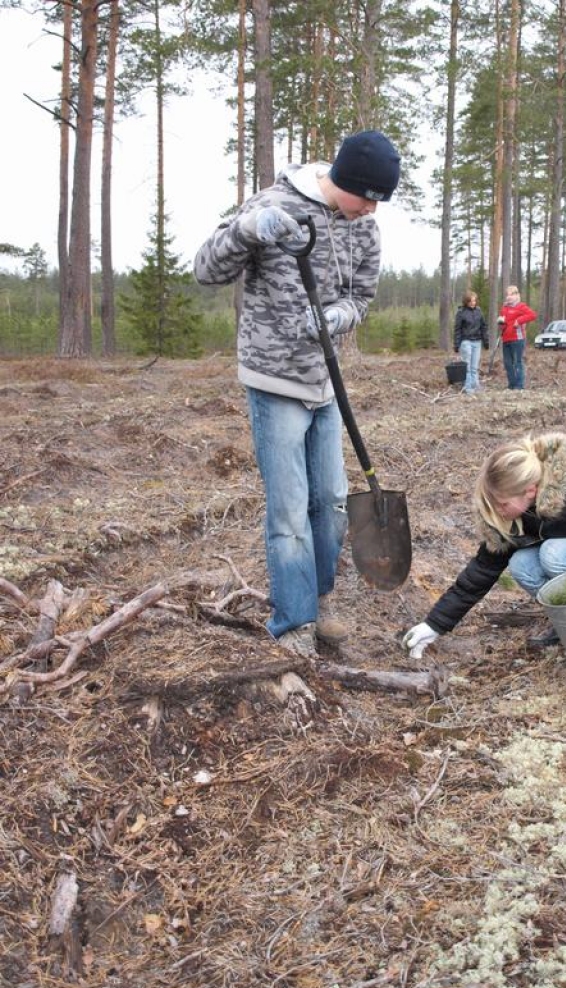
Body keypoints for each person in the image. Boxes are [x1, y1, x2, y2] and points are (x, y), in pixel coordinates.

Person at [194, 129, 401, 657]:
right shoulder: (272, 205)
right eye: (369, 197)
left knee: (330, 502)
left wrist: (339, 316)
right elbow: (205, 270)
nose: (372, 210)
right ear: (346, 180)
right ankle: (293, 623)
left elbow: (362, 297)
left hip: (324, 383)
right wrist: (248, 231)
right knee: (288, 511)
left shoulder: (364, 229)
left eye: (381, 201)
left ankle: (320, 599)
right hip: (274, 379)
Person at [402, 431, 566, 658]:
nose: (499, 512)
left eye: (503, 504)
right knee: (522, 563)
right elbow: (479, 574)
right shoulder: (516, 517)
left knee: (553, 554)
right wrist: (435, 625)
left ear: (530, 491)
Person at [497, 285, 537, 390]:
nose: (509, 297)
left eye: (511, 294)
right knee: (508, 364)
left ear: (516, 295)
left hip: (517, 339)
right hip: (506, 339)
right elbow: (503, 322)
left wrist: (519, 321)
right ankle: (511, 384)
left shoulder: (521, 306)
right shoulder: (504, 308)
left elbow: (532, 315)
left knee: (517, 362)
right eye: (507, 294)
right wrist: (501, 324)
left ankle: (519, 386)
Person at [453, 290, 489, 395]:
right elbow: (457, 329)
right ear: (466, 301)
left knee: (474, 366)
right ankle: (468, 387)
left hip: (477, 341)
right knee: (467, 366)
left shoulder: (479, 311)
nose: (473, 303)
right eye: (471, 301)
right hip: (466, 342)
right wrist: (456, 344)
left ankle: (475, 385)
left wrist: (486, 341)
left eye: (474, 301)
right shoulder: (461, 312)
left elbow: (483, 327)